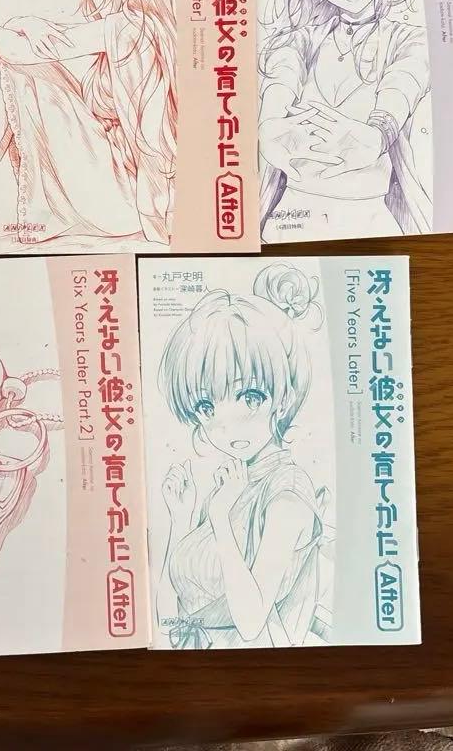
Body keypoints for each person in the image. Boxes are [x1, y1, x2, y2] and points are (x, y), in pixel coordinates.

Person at [0, 0, 178, 248]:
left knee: (24, 69)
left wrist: (10, 28)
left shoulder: (131, 27)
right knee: (27, 64)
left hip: (129, 198)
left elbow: (17, 48)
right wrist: (22, 26)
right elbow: (37, 39)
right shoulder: (113, 22)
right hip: (121, 185)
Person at [156, 265, 325, 649]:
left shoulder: (286, 497)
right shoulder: (233, 484)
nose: (227, 425)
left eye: (250, 397)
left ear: (282, 398)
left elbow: (250, 623)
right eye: (206, 406)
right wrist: (181, 520)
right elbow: (169, 619)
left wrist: (218, 518)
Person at [259, 0, 431, 240]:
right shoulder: (299, 42)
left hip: (368, 221)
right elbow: (279, 80)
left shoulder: (409, 42)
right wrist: (269, 125)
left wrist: (377, 134)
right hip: (288, 222)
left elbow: (402, 85)